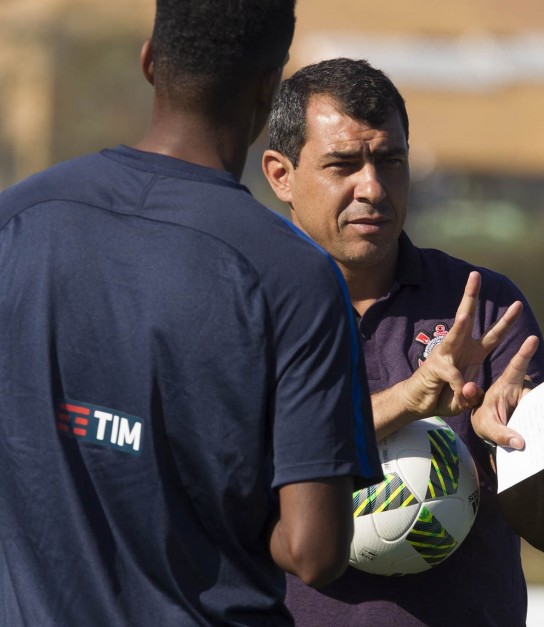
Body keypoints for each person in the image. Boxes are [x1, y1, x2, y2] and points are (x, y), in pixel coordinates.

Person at [0, 2, 381, 625]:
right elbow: (314, 552)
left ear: (150, 60)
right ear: (268, 84)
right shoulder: (295, 276)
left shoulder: (16, 220)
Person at [262, 57, 544, 626]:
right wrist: (408, 399)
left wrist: (507, 453)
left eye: (391, 162)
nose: (372, 187)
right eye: (343, 164)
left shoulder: (487, 308)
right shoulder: (244, 307)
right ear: (281, 175)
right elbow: (241, 472)